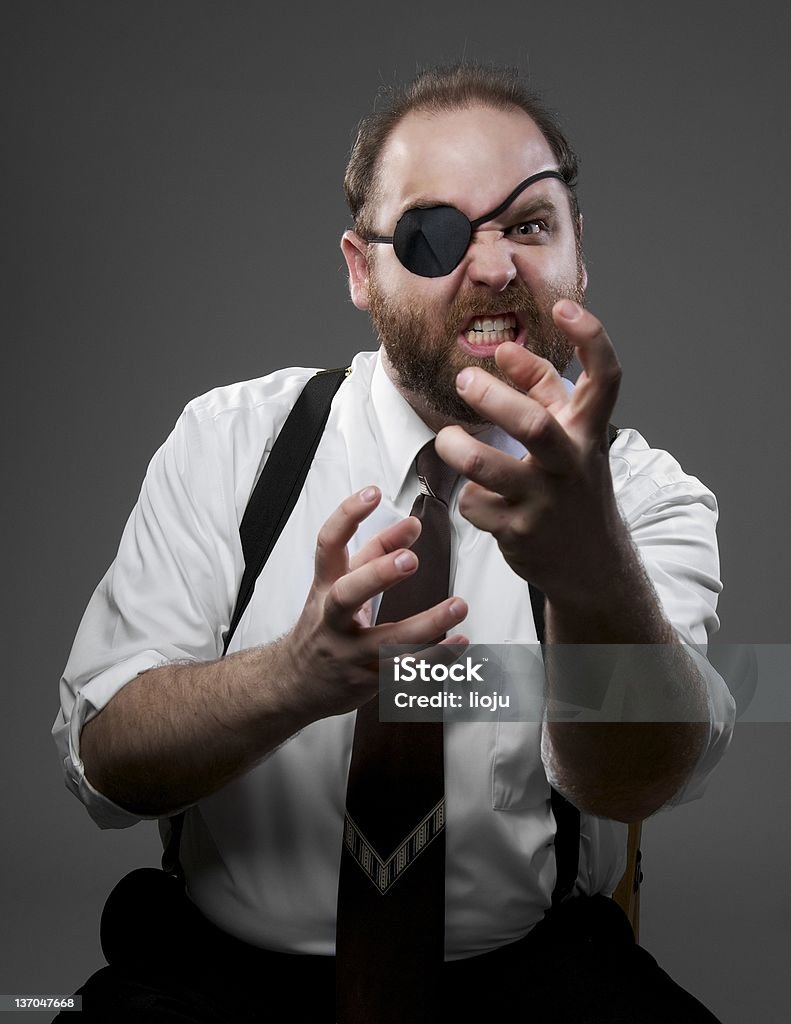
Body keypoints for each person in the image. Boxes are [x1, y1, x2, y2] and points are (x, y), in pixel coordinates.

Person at [53, 63, 735, 1022]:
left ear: (579, 257)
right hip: (220, 984)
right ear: (359, 271)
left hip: (525, 984)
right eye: (434, 234)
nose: (494, 268)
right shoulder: (227, 445)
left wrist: (591, 573)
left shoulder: (646, 497)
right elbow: (107, 765)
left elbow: (636, 777)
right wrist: (290, 678)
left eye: (530, 226)